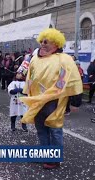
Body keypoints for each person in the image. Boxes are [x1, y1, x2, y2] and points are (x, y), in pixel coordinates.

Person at [20, 28, 83, 169]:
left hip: (54, 102)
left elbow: (72, 80)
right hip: (37, 101)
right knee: (41, 130)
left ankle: (54, 160)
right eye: (41, 41)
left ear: (55, 43)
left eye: (46, 41)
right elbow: (30, 77)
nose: (42, 44)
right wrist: (26, 93)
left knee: (54, 130)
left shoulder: (64, 59)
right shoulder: (35, 59)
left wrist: (75, 101)